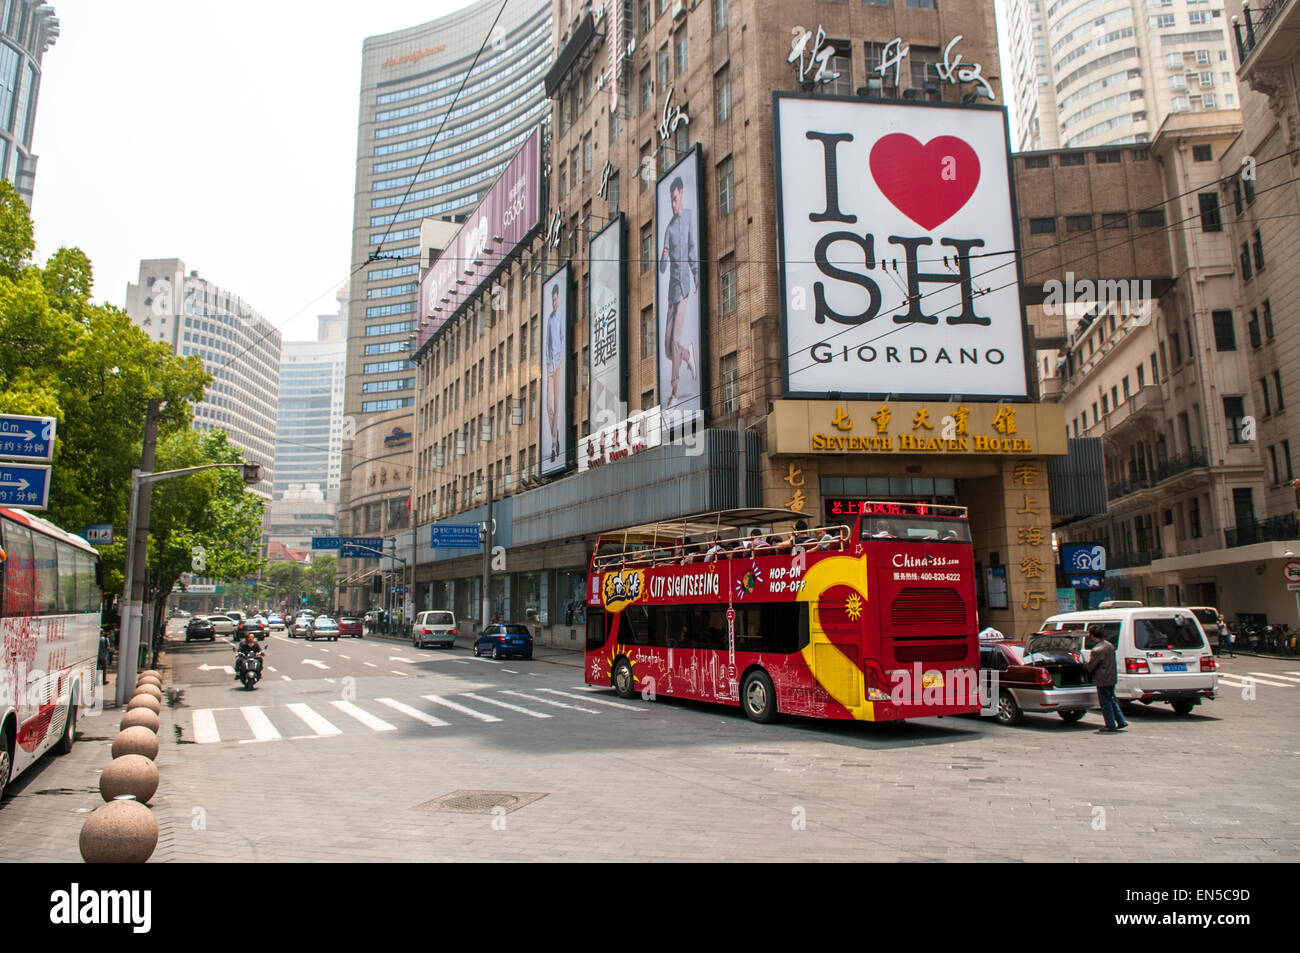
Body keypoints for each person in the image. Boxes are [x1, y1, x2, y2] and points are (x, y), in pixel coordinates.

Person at [659, 175, 699, 408]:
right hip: (672, 291)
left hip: (684, 287)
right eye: (670, 201)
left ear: (681, 194)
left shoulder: (689, 218)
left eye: (675, 199)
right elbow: (663, 267)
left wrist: (696, 274)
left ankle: (674, 391)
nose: (673, 204)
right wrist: (663, 257)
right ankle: (686, 356)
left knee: (674, 338)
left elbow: (693, 249)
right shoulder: (669, 228)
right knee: (667, 348)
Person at [1085, 626, 1128, 732]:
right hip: (1111, 678)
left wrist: (1086, 666)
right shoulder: (1110, 646)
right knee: (1112, 700)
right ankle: (1121, 721)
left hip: (1102, 679)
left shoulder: (1097, 650)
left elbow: (1091, 667)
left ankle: (1110, 724)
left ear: (1093, 636)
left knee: (1105, 702)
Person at [545, 283, 565, 463]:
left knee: (557, 406)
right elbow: (547, 343)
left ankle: (553, 445)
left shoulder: (561, 317)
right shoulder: (550, 318)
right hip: (550, 366)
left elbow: (562, 339)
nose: (554, 303)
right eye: (552, 300)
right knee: (548, 406)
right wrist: (548, 364)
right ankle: (555, 434)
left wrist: (558, 362)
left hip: (559, 365)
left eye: (556, 299)